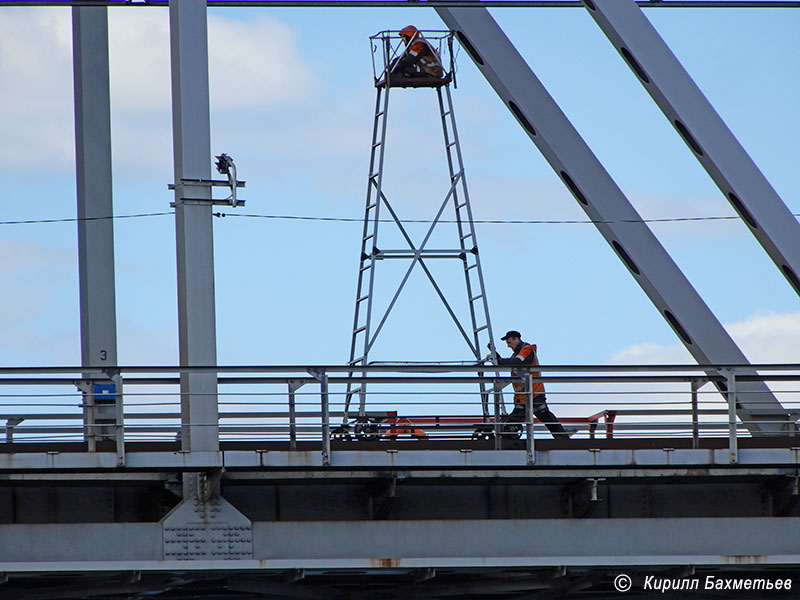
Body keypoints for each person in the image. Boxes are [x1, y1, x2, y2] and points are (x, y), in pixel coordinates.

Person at [489, 330, 575, 439]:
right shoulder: (518, 354)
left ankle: (562, 438)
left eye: (509, 342)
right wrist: (496, 356)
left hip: (533, 393)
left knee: (540, 416)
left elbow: (518, 362)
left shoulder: (527, 349)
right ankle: (562, 437)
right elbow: (511, 362)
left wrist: (499, 360)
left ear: (516, 339)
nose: (508, 346)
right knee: (523, 418)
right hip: (524, 396)